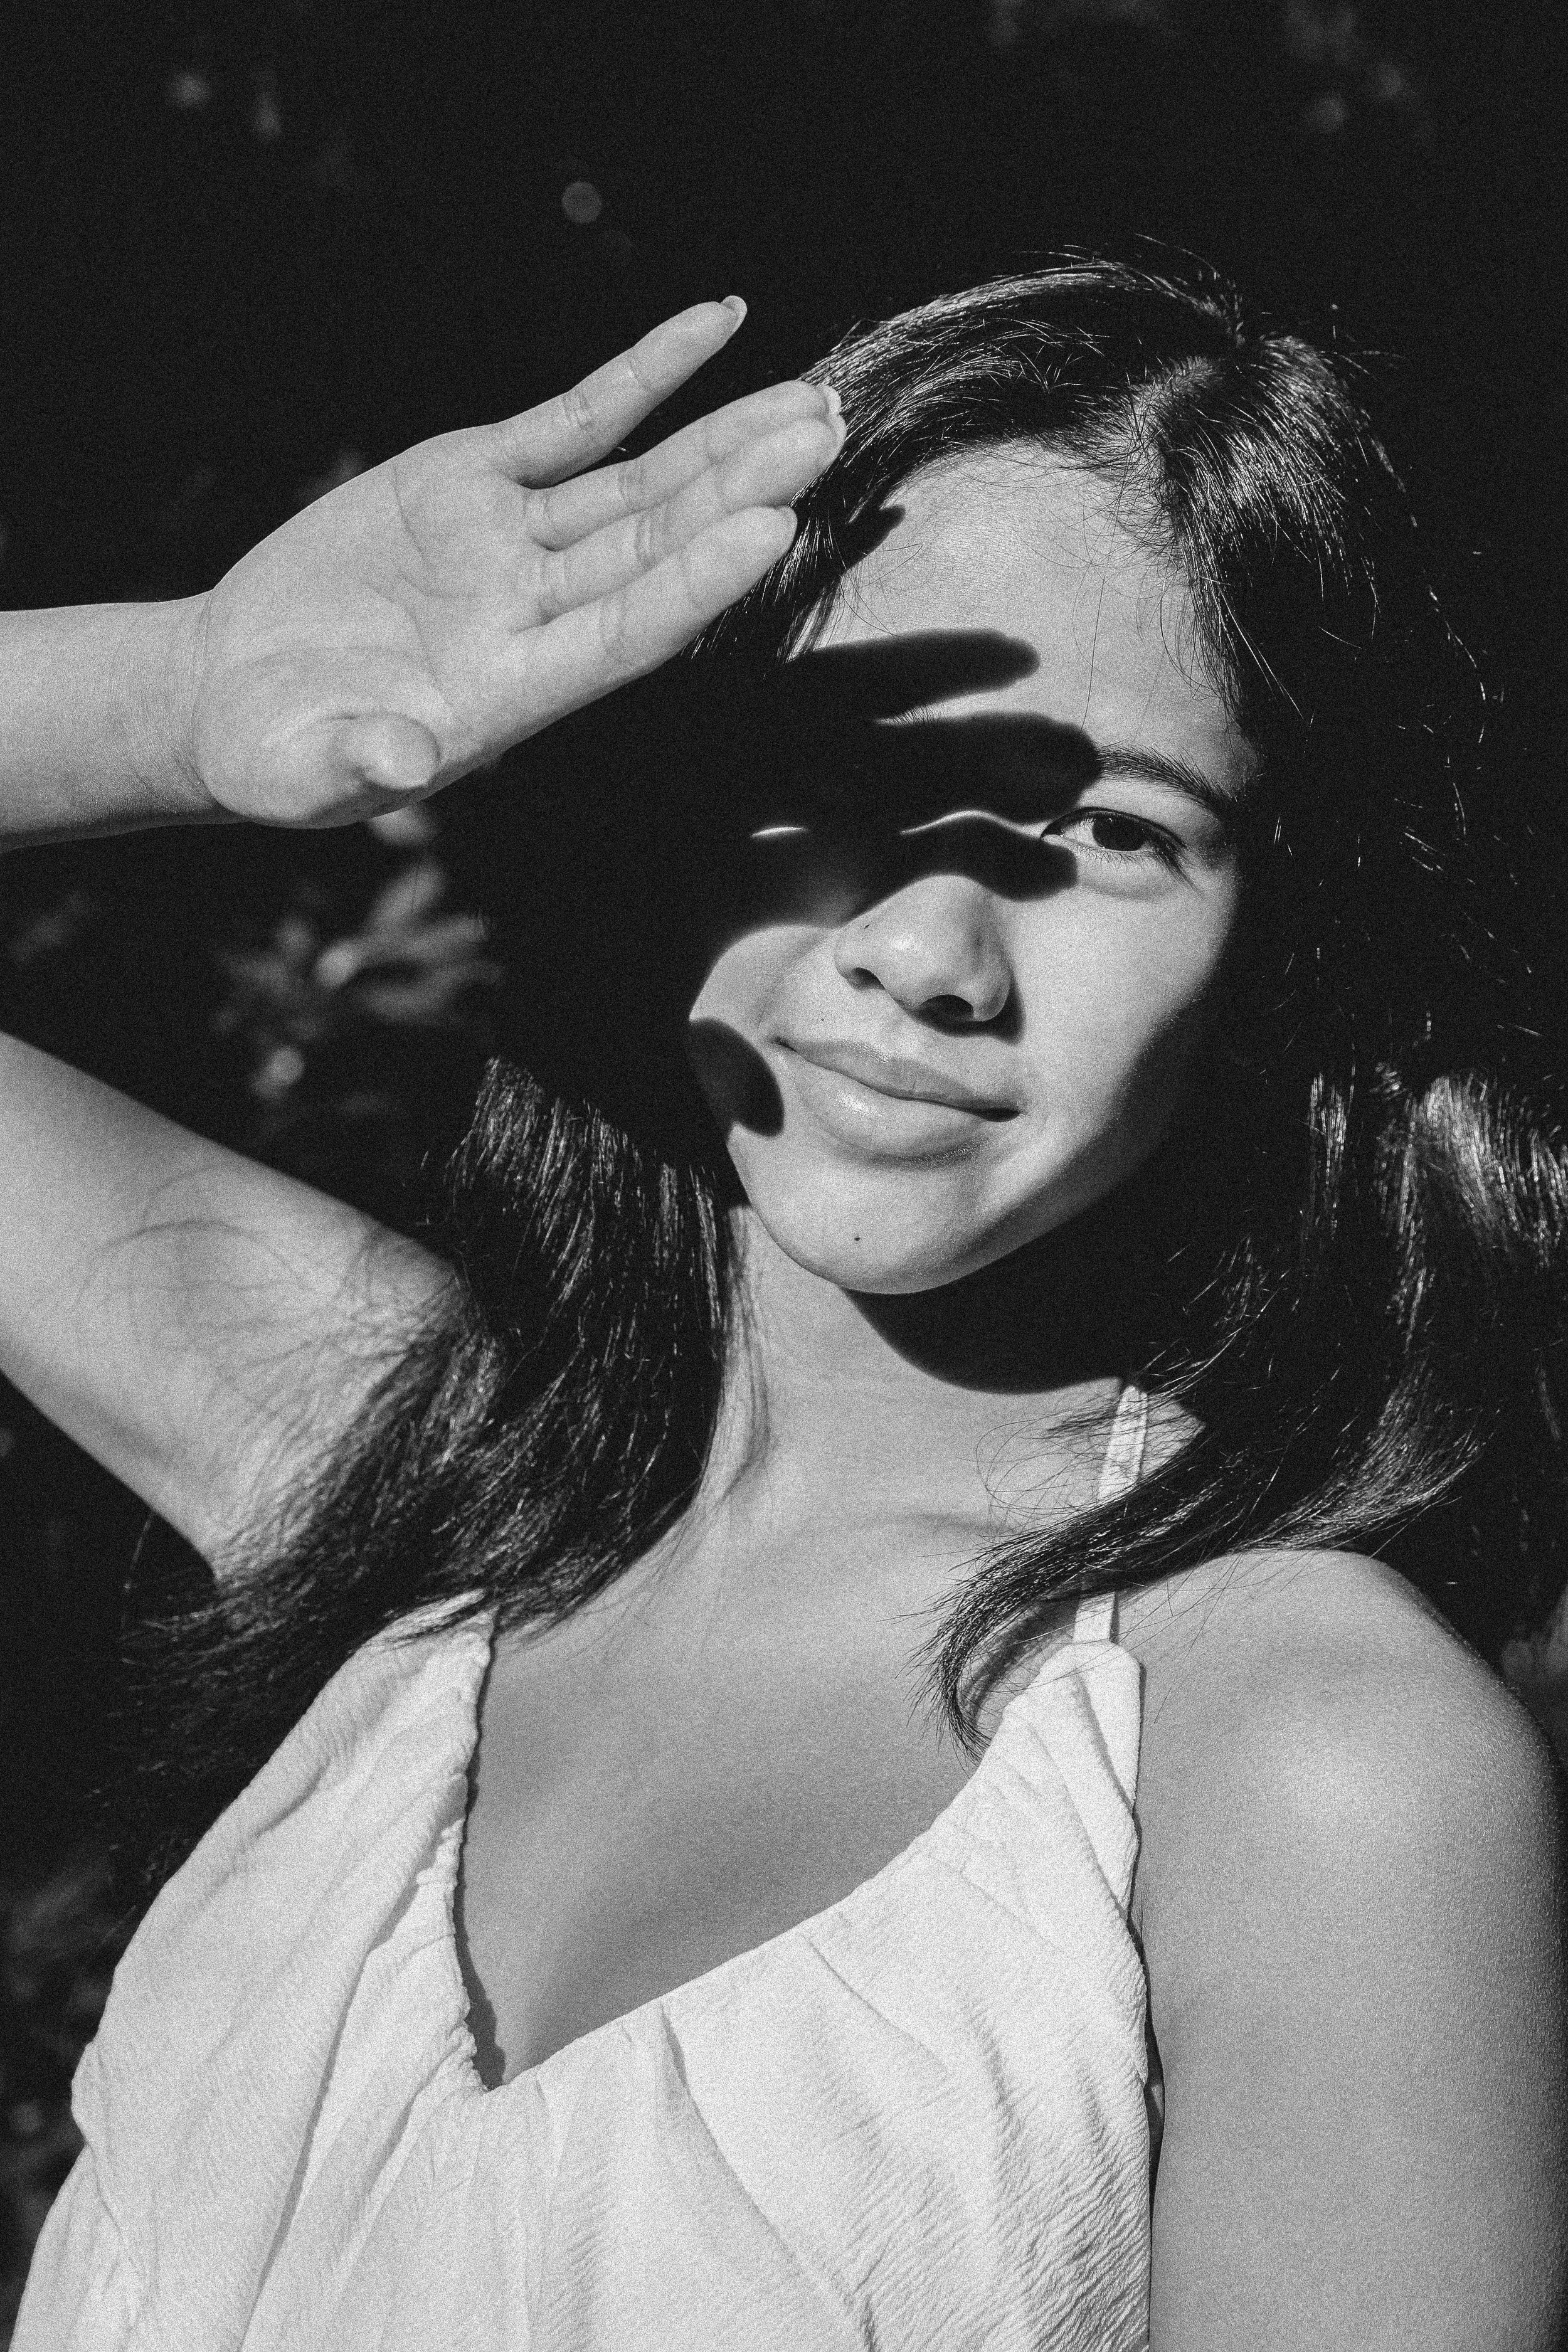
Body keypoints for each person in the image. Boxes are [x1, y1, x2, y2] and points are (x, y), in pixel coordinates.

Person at [4, 265, 1565, 2349]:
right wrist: (188, 692)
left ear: (1282, 954)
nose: (930, 945)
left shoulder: (1301, 1757)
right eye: (848, 769)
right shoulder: (404, 1467)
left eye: (1112, 829)